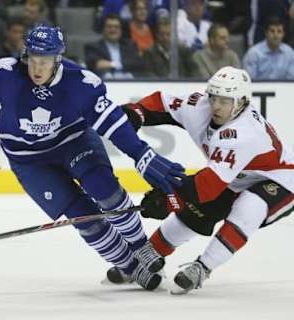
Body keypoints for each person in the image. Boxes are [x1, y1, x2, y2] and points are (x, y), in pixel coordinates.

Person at [0, 25, 185, 290]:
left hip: (75, 143)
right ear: (25, 54)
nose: (38, 67)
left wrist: (141, 153)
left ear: (58, 59)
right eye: (33, 58)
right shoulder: (4, 74)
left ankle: (141, 246)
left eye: (46, 60)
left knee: (104, 189)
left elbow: (111, 121)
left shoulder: (81, 82)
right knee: (82, 216)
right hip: (28, 160)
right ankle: (129, 264)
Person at [122, 66, 294, 294]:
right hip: (236, 176)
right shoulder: (200, 105)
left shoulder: (244, 133)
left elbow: (207, 187)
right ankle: (147, 256)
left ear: (241, 102)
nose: (215, 106)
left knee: (248, 207)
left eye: (224, 101)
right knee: (193, 215)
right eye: (213, 97)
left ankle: (203, 267)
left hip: (280, 179)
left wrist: (169, 198)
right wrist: (137, 112)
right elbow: (162, 103)